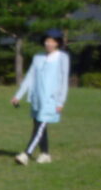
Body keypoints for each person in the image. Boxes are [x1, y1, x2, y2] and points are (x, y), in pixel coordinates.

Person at [11, 29, 70, 165]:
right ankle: (45, 154)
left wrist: (60, 101)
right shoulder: (38, 57)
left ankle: (26, 154)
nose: (49, 43)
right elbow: (30, 77)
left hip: (51, 100)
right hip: (37, 98)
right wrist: (18, 95)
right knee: (39, 127)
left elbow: (63, 81)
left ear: (58, 43)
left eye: (52, 41)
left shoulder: (62, 58)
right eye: (47, 40)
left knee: (40, 127)